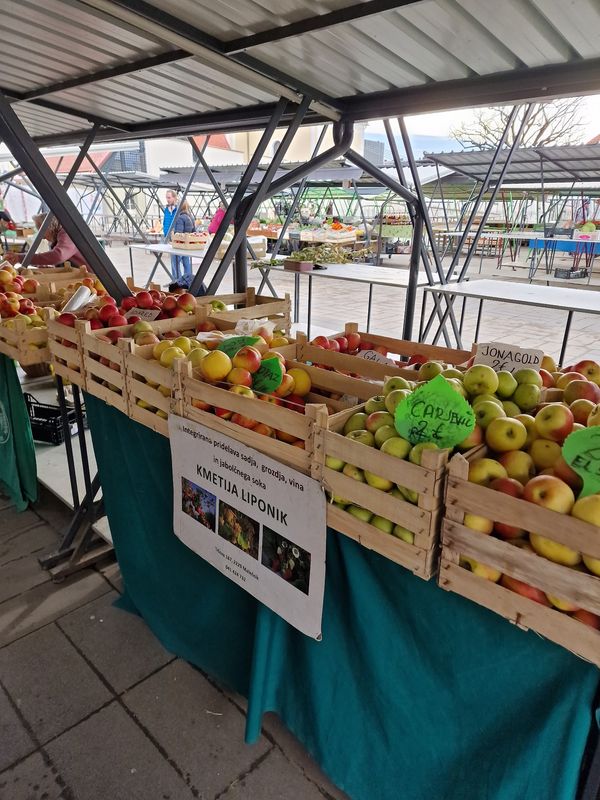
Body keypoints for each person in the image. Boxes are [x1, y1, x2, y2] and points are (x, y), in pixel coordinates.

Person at [3, 214, 85, 267]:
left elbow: (58, 256)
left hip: (91, 278)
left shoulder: (67, 233)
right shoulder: (57, 238)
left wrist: (21, 258)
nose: (42, 237)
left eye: (41, 231)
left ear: (49, 226)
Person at [172, 200, 195, 280]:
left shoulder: (180, 218)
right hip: (187, 245)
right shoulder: (191, 217)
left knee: (175, 263)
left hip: (180, 245)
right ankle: (188, 280)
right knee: (186, 263)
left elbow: (179, 233)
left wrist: (174, 238)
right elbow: (194, 231)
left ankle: (177, 281)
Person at [163, 190, 179, 277]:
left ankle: (179, 279)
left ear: (174, 198)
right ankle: (174, 279)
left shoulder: (178, 209)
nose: (167, 199)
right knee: (173, 259)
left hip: (176, 236)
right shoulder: (166, 209)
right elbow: (165, 221)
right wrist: (165, 232)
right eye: (166, 197)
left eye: (169, 197)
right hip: (168, 235)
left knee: (177, 259)